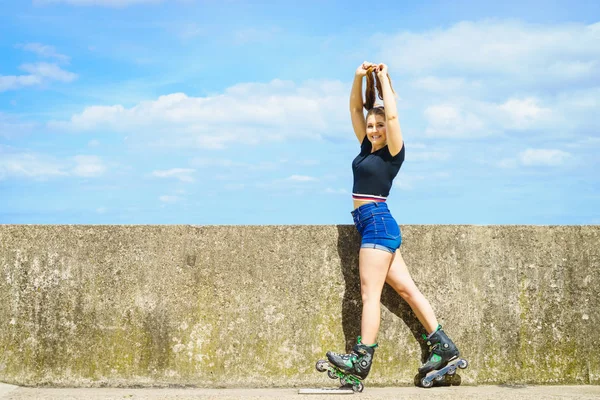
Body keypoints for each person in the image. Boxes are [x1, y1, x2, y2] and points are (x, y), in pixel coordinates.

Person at [325, 61, 461, 381]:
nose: (374, 130)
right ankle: (444, 346)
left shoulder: (393, 152)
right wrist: (359, 78)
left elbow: (394, 115)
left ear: (389, 129)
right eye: (372, 126)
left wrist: (384, 80)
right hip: (374, 224)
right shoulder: (366, 148)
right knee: (407, 290)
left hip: (377, 222)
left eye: (379, 126)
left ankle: (361, 359)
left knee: (369, 294)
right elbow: (355, 111)